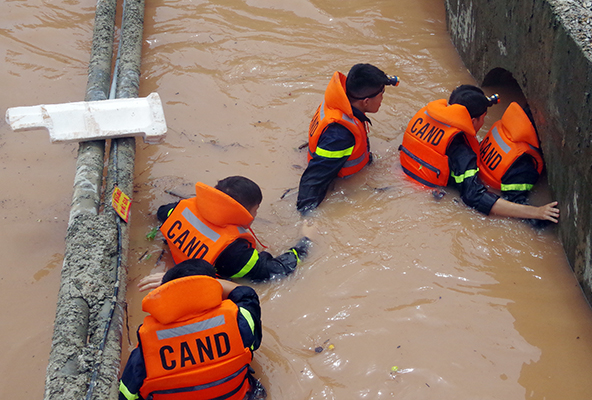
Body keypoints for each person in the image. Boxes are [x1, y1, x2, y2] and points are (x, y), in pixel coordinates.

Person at [399, 84, 559, 223]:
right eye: (483, 118)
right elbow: (474, 197)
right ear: (474, 121)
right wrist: (536, 212)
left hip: (402, 177)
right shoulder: (462, 153)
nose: (483, 123)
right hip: (427, 196)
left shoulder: (426, 118)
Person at [119, 259, 266, 400]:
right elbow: (246, 293)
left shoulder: (146, 349)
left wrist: (173, 284)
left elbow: (126, 395)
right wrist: (203, 282)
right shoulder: (240, 323)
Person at [140, 176, 311, 290]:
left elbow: (161, 212)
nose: (256, 215)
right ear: (244, 213)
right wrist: (306, 241)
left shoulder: (181, 208)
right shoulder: (234, 252)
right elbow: (275, 271)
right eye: (256, 210)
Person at [296, 63, 398, 214]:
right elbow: (313, 180)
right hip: (341, 182)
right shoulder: (340, 135)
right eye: (382, 93)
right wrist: (307, 217)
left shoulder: (339, 102)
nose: (382, 98)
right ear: (366, 102)